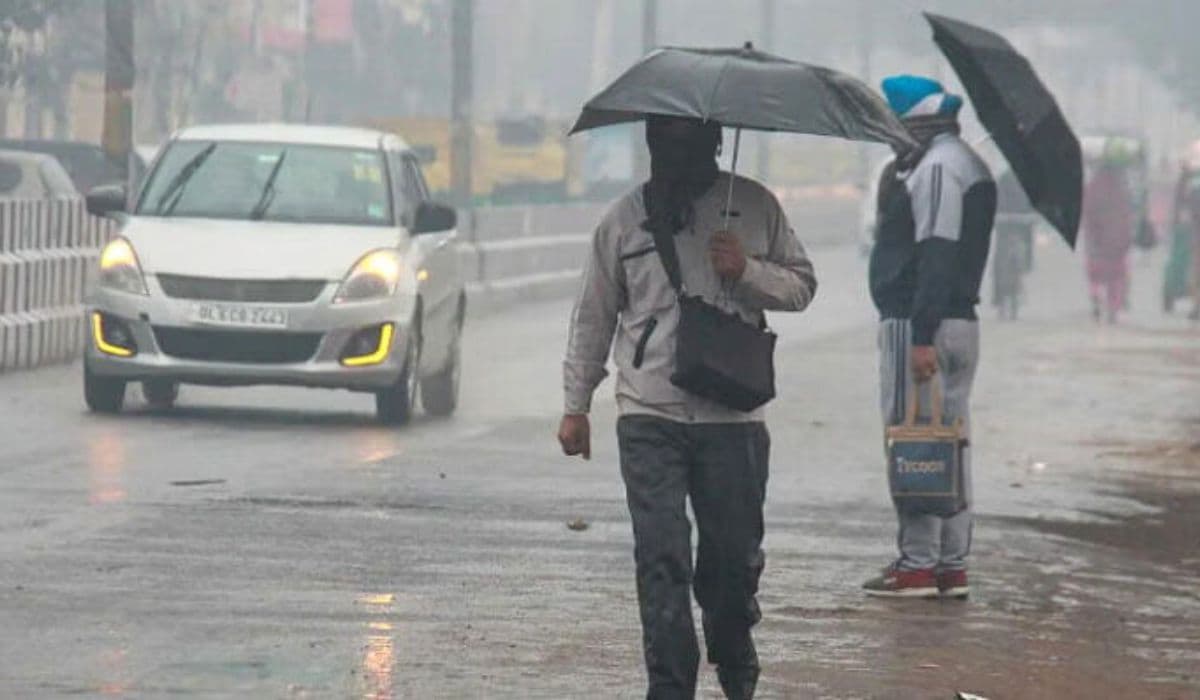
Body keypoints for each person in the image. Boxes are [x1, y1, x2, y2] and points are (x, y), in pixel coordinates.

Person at [558, 115, 816, 699]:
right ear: (649, 147)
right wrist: (576, 404)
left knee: (730, 565)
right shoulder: (623, 220)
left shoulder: (754, 206)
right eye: (664, 146)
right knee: (661, 556)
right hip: (650, 413)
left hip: (735, 419)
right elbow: (593, 315)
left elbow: (802, 285)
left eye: (689, 147)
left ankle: (735, 663)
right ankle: (670, 686)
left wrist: (746, 271)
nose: (676, 159)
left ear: (716, 146)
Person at [862, 76, 996, 599]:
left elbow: (936, 253)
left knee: (914, 437)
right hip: (955, 322)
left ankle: (918, 563)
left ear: (913, 121)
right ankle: (949, 563)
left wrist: (920, 334)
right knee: (950, 440)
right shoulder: (959, 161)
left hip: (924, 325)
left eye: (892, 124)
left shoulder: (939, 168)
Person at [1081, 145, 1136, 324]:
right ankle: (1113, 307)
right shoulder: (1122, 190)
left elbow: (1087, 212)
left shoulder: (1093, 187)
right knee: (1116, 275)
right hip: (1117, 241)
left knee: (1095, 271)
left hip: (1096, 238)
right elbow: (1127, 215)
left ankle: (1096, 295)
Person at [990, 168, 1037, 320]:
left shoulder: (1002, 179)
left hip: (1004, 222)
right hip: (1021, 223)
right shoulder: (1028, 180)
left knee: (999, 258)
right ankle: (1027, 265)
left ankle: (998, 296)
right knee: (1026, 246)